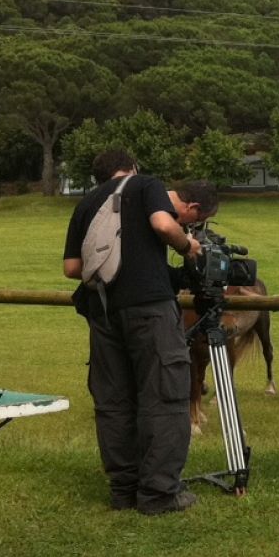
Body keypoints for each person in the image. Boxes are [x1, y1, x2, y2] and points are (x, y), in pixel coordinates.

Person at [62, 149, 216, 515]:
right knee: (164, 396)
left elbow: (72, 268)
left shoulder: (86, 204)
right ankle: (159, 493)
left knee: (115, 402)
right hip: (150, 311)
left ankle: (123, 490)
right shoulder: (146, 185)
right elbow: (164, 225)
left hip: (104, 314)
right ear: (133, 167)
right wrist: (188, 246)